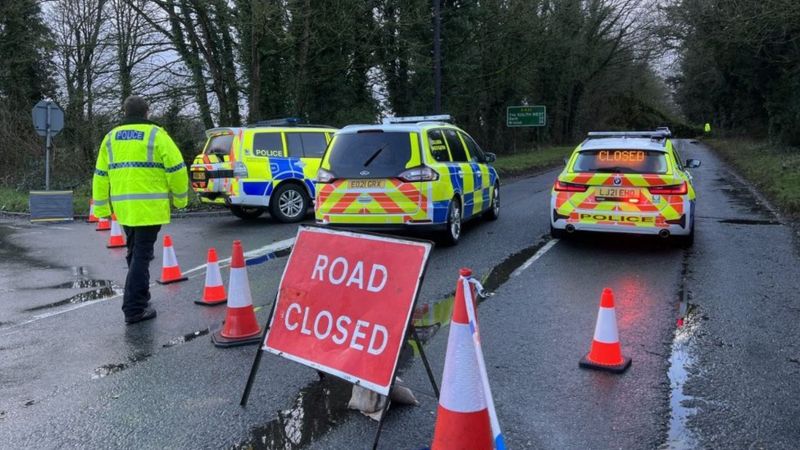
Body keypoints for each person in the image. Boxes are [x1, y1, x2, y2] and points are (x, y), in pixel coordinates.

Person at [92, 96, 189, 324]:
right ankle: (134, 308)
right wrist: (181, 201)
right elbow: (177, 169)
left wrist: (102, 208)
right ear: (147, 113)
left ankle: (142, 296)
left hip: (124, 208)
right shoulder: (156, 135)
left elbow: (100, 176)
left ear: (124, 112)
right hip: (149, 208)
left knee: (135, 251)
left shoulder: (110, 138)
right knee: (141, 256)